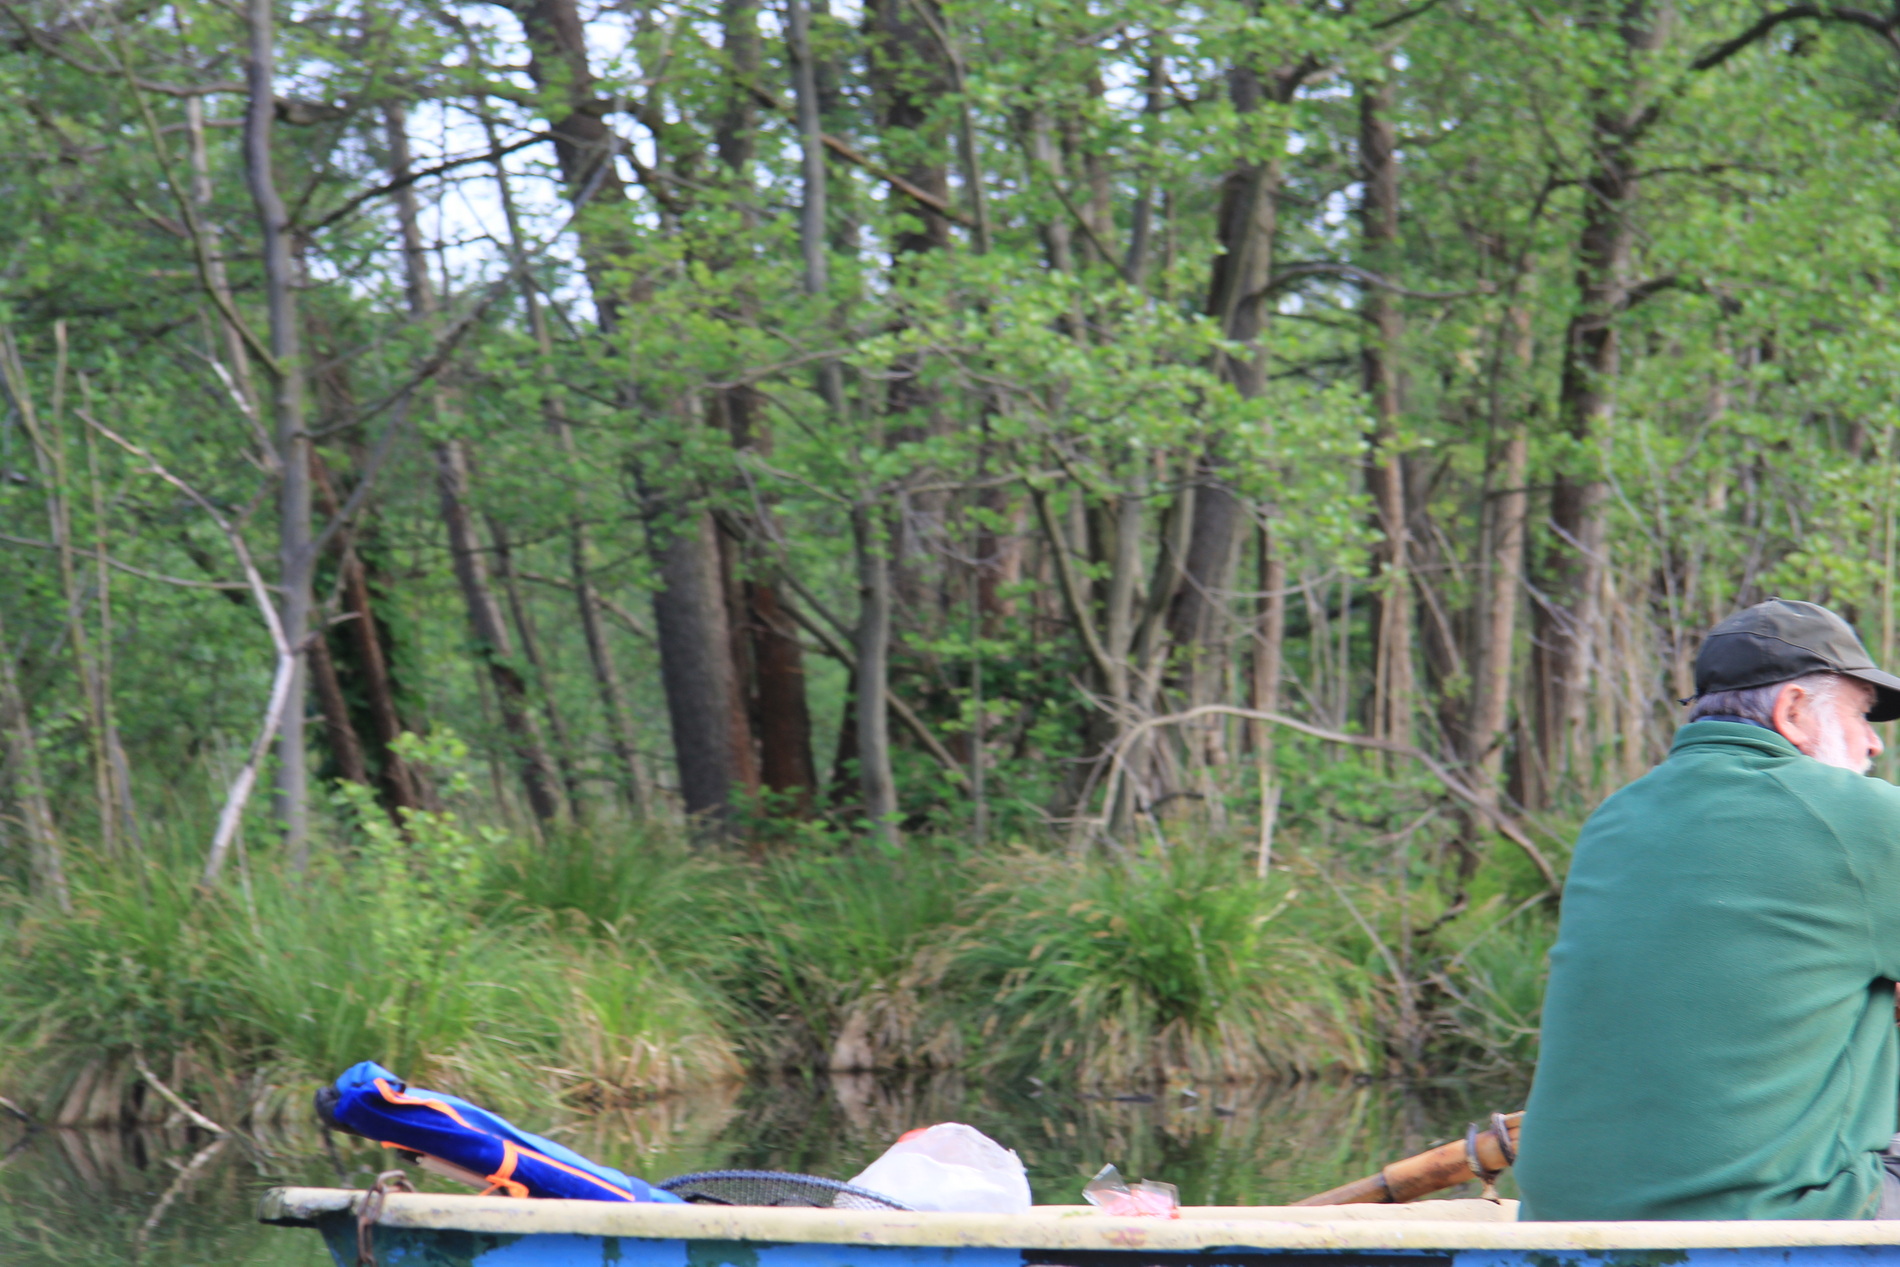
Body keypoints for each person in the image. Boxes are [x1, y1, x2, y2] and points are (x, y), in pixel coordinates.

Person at [1515, 598, 1900, 1220]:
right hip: (1771, 1218)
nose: (1874, 743)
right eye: (1860, 715)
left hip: (1561, 1217)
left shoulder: (1615, 817)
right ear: (1793, 711)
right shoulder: (1861, 817)